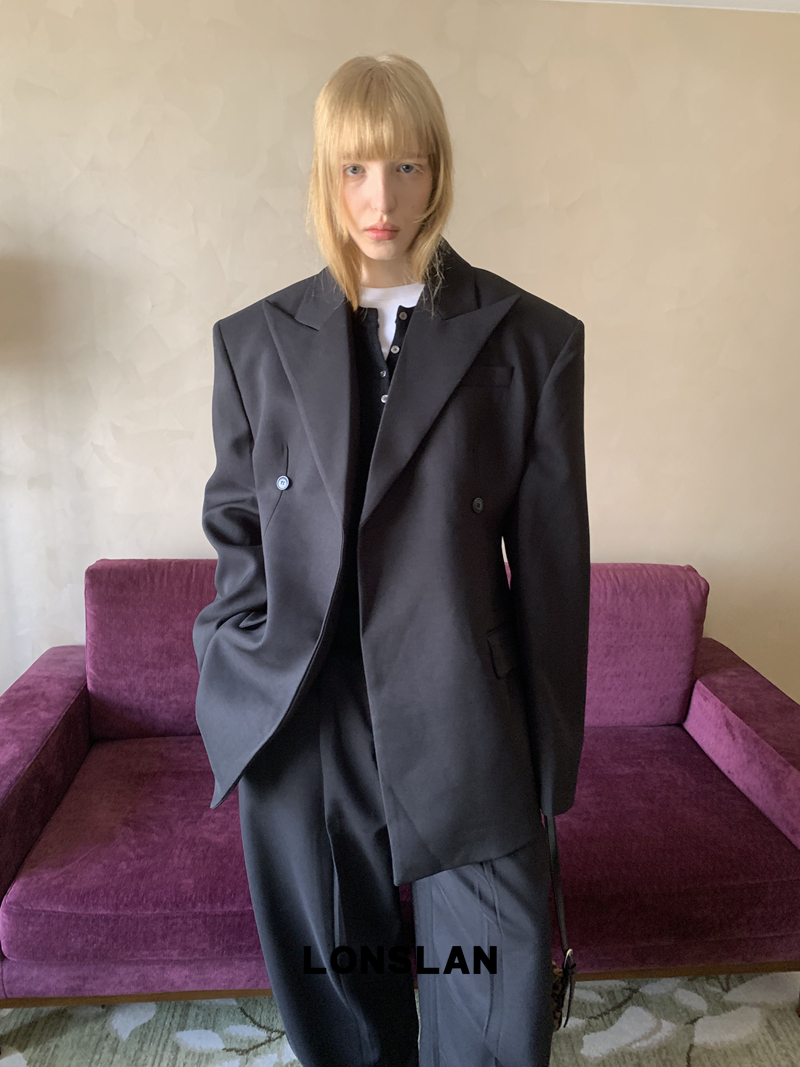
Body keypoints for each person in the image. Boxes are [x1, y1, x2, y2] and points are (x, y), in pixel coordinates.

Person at [193, 52, 590, 1067]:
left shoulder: (531, 341)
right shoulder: (252, 344)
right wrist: (234, 668)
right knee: (345, 1012)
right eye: (355, 169)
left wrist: (550, 766)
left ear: (437, 170)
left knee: (491, 1010)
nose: (382, 199)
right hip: (306, 721)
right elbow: (238, 529)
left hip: (467, 716)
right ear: (325, 174)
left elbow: (552, 570)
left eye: (407, 166)